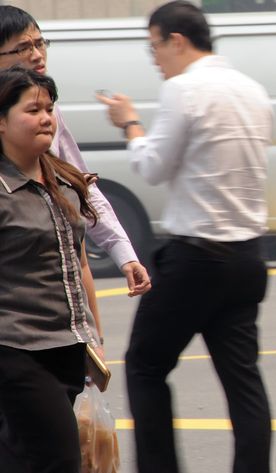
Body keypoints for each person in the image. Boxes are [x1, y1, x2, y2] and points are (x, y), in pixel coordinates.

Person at [95, 2, 274, 472]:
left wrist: (130, 123)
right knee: (243, 383)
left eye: (154, 46)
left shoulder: (183, 89)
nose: (154, 58)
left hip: (196, 258)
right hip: (247, 258)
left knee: (145, 366)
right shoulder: (254, 91)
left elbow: (152, 166)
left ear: (177, 40)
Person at [0, 5, 152, 298]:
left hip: (52, 284)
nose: (37, 53)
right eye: (23, 47)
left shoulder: (51, 117)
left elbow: (81, 187)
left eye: (40, 42)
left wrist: (124, 254)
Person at [0, 66, 102, 472]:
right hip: (16, 349)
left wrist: (95, 340)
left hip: (67, 347)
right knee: (60, 459)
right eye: (32, 109)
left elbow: (78, 263)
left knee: (20, 458)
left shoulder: (59, 177)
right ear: (2, 122)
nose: (45, 118)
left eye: (49, 108)